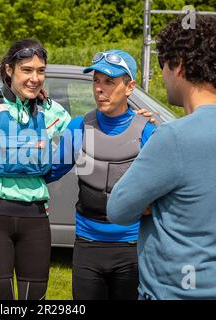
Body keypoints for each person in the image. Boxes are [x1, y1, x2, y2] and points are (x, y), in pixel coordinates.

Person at [107, 15, 216, 300]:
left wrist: (152, 201)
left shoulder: (173, 137)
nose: (163, 75)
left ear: (179, 65)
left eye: (163, 65)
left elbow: (119, 209)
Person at [0, 39, 71, 300]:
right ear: (9, 70)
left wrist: (139, 119)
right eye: (27, 70)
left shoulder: (53, 112)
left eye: (40, 71)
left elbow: (86, 137)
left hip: (36, 220)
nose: (35, 78)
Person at [44, 50, 156, 300]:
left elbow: (165, 190)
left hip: (131, 246)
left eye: (109, 82)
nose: (99, 89)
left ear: (129, 87)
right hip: (88, 244)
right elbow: (50, 171)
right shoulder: (79, 128)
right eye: (96, 80)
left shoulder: (147, 132)